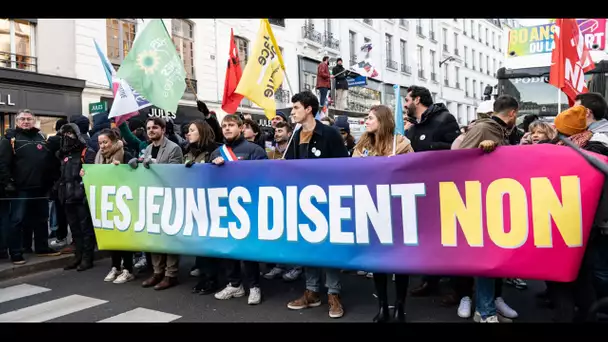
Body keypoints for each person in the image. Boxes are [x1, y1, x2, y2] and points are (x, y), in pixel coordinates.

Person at [284, 90, 349, 319]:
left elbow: (344, 167)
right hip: (302, 201)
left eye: (296, 108)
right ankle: (312, 291)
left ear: (309, 108)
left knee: (328, 247)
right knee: (307, 247)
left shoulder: (330, 134)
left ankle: (334, 293)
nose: (292, 113)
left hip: (327, 200)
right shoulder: (294, 135)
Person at [457, 95, 521, 323]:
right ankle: (485, 313)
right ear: (513, 112)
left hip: (497, 200)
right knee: (487, 259)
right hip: (480, 202)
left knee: (496, 258)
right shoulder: (484, 128)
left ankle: (486, 308)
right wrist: (481, 153)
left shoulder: (503, 131)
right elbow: (458, 158)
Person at [352, 104, 414, 322]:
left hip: (397, 209)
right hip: (372, 208)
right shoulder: (362, 144)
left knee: (400, 262)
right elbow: (352, 171)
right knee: (378, 261)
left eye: (370, 117)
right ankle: (382, 306)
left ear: (382, 120)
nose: (366, 121)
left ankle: (400, 306)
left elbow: (414, 171)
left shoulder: (402, 143)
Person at [404, 86, 460, 299]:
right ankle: (430, 280)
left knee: (449, 239)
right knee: (427, 238)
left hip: (444, 190)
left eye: (407, 99)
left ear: (417, 100)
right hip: (420, 191)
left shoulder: (445, 119)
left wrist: (429, 149)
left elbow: (456, 149)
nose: (406, 104)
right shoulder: (414, 127)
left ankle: (458, 288)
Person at [210, 114, 268, 305]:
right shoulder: (216, 153)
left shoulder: (255, 150)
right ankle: (234, 285)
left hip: (249, 207)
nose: (227, 128)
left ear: (241, 128)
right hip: (225, 207)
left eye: (231, 125)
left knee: (247, 250)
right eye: (224, 125)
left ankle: (254, 286)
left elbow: (266, 177)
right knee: (228, 249)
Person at [135, 117, 184, 291]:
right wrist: (137, 165)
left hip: (169, 197)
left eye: (154, 127)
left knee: (169, 237)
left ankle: (171, 274)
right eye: (148, 128)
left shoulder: (174, 148)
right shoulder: (147, 148)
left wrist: (156, 165)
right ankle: (157, 272)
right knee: (155, 236)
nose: (151, 131)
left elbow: (176, 173)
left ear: (163, 130)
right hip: (153, 197)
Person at [5, 109, 60, 264]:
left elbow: (47, 160)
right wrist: (8, 182)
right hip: (20, 188)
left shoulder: (41, 137)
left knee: (42, 219)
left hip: (41, 187)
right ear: (17, 122)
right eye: (22, 119)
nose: (26, 121)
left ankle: (42, 247)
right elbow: (3, 163)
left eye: (29, 119)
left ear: (34, 120)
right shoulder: (11, 138)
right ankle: (16, 252)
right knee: (17, 220)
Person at [88, 129, 136, 284]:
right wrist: (86, 174)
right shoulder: (99, 157)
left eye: (105, 142)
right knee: (112, 236)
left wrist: (121, 170)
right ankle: (115, 266)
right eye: (100, 143)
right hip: (107, 202)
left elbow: (133, 177)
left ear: (114, 142)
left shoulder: (125, 154)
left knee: (125, 238)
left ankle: (128, 269)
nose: (102, 146)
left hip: (124, 203)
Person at [182, 120, 223, 295]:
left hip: (211, 203)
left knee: (209, 245)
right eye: (188, 130)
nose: (188, 133)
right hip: (194, 201)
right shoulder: (188, 151)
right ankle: (203, 278)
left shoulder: (215, 150)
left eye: (192, 130)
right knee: (200, 244)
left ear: (202, 132)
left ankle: (212, 279)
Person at [56, 123, 96, 271]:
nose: (67, 137)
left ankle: (87, 257)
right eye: (65, 134)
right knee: (74, 229)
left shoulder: (87, 152)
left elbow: (93, 175)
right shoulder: (65, 154)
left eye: (70, 134)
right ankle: (78, 255)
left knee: (85, 228)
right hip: (68, 196)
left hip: (81, 196)